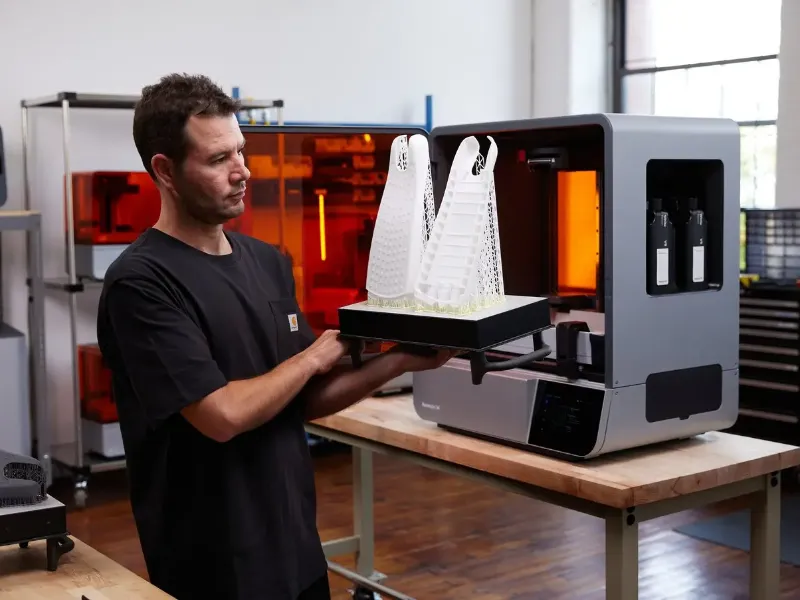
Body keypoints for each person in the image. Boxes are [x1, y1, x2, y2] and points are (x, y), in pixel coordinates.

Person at [96, 73, 452, 600]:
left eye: (240, 151)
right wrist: (312, 357)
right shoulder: (141, 284)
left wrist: (402, 359)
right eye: (219, 159)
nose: (242, 170)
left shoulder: (266, 262)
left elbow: (299, 400)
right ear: (165, 171)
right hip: (213, 567)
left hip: (296, 548)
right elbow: (222, 415)